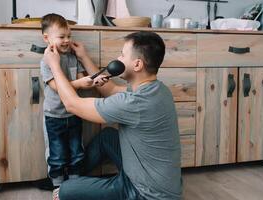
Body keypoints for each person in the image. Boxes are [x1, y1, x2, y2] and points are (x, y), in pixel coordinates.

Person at [44, 31, 182, 200]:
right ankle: (75, 174)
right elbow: (111, 90)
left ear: (137, 64)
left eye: (122, 55)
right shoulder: (158, 89)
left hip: (144, 194)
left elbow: (72, 104)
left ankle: (71, 184)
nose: (118, 58)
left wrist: (54, 66)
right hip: (155, 180)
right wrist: (84, 57)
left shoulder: (134, 103)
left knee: (64, 192)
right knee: (108, 136)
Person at [40, 13, 107, 189]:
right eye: (61, 36)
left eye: (69, 36)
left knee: (77, 151)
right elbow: (57, 87)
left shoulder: (71, 57)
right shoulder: (47, 60)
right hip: (54, 116)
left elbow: (80, 81)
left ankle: (76, 183)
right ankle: (58, 186)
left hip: (74, 113)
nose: (66, 40)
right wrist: (79, 82)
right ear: (46, 38)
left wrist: (93, 81)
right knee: (58, 154)